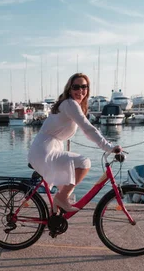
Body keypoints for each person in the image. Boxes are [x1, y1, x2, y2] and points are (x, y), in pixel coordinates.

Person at [28, 73, 122, 212]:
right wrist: (108, 147)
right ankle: (60, 199)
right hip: (45, 151)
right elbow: (88, 129)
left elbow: (86, 130)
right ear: (69, 89)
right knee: (84, 163)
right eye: (76, 87)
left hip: (47, 148)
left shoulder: (71, 104)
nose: (80, 91)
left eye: (84, 87)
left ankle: (56, 209)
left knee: (68, 180)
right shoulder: (69, 104)